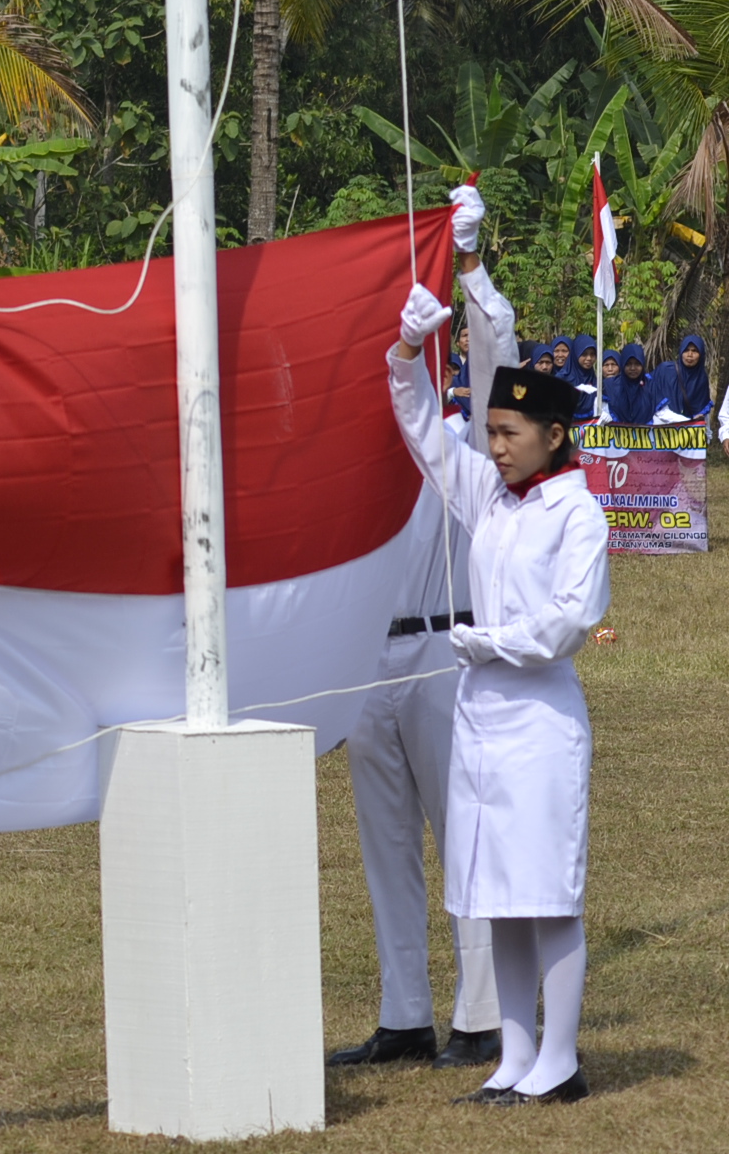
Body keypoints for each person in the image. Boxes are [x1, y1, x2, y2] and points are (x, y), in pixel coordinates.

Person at [392, 284, 608, 1106]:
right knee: (502, 897)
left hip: (541, 716)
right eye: (491, 432)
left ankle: (560, 1057)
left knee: (548, 893)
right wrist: (408, 356)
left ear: (555, 436)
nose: (497, 446)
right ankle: (517, 1055)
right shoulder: (489, 496)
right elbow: (422, 435)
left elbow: (567, 622)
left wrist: (490, 641)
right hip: (483, 717)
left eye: (511, 433)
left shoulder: (576, 514)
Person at [330, 185, 508, 1072]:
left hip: (447, 645)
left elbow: (500, 354)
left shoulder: (464, 441)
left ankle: (480, 1012)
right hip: (371, 656)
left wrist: (469, 265)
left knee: (461, 832)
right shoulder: (358, 452)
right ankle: (404, 1012)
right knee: (386, 843)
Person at [653, 334, 712, 422]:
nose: (690, 355)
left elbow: (702, 413)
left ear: (701, 354)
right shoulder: (665, 370)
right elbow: (657, 405)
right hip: (661, 429)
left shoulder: (701, 378)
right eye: (686, 350)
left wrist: (706, 433)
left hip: (688, 432)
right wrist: (687, 421)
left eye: (694, 351)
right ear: (681, 352)